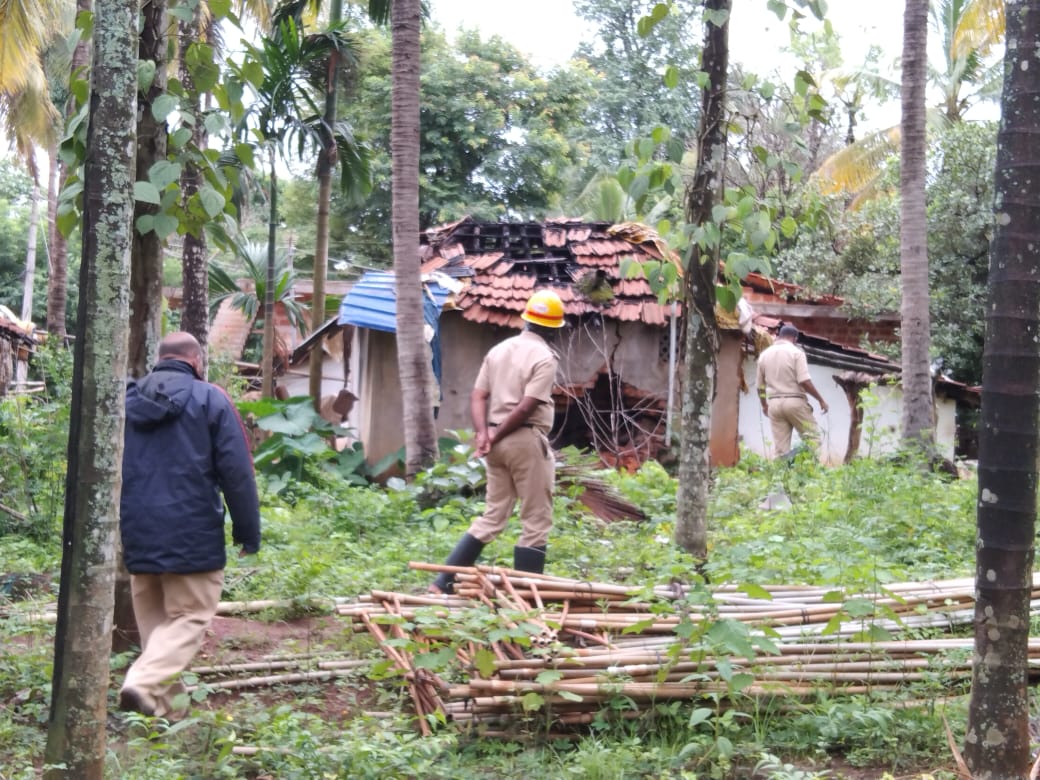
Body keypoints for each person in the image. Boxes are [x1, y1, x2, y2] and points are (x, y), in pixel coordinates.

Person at [118, 332, 261, 717]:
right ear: (197, 362)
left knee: (158, 632)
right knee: (190, 617)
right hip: (192, 536)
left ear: (160, 358)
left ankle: (166, 717)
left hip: (138, 532)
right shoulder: (210, 399)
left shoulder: (125, 400)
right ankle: (141, 682)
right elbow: (237, 473)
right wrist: (247, 532)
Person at [429, 290, 565, 594]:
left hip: (495, 443)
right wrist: (496, 434)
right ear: (553, 329)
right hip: (524, 440)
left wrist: (484, 434)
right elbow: (526, 407)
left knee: (493, 515)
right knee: (536, 519)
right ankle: (526, 595)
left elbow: (478, 395)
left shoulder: (499, 350)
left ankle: (442, 582)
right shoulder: (544, 358)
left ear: (527, 320)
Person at [756, 324, 829, 457]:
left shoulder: (764, 355)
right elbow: (804, 381)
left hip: (774, 404)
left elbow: (760, 386)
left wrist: (764, 405)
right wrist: (821, 400)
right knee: (813, 439)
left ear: (779, 336)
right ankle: (796, 461)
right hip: (795, 401)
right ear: (795, 338)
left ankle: (784, 463)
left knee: (780, 451)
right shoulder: (796, 353)